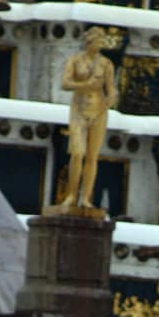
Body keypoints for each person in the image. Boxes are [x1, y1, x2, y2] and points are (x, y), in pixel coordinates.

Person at [55, 27, 116, 213]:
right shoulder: (75, 60)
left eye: (101, 42)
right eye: (97, 41)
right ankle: (71, 194)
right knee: (77, 152)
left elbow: (111, 88)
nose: (99, 45)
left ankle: (86, 197)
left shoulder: (106, 64)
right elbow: (65, 84)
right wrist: (84, 85)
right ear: (88, 42)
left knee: (92, 156)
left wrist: (110, 99)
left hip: (98, 111)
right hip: (79, 109)